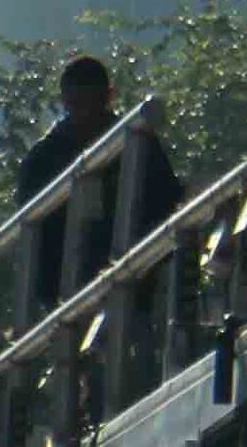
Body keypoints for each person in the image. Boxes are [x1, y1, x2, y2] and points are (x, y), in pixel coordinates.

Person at [16, 54, 182, 306]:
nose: (85, 116)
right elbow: (30, 228)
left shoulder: (137, 143)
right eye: (77, 104)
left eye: (92, 104)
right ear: (65, 101)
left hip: (134, 279)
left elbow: (167, 202)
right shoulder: (44, 159)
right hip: (64, 291)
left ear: (109, 97)